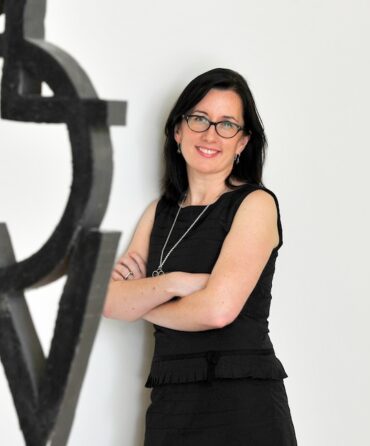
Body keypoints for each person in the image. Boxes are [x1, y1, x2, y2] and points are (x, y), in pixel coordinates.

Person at [103, 68, 297, 445]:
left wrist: (140, 302)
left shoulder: (255, 204)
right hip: (172, 403)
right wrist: (174, 283)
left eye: (227, 124)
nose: (211, 134)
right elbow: (106, 301)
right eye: (199, 119)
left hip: (243, 403)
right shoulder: (159, 213)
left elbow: (217, 310)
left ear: (242, 142)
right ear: (178, 131)